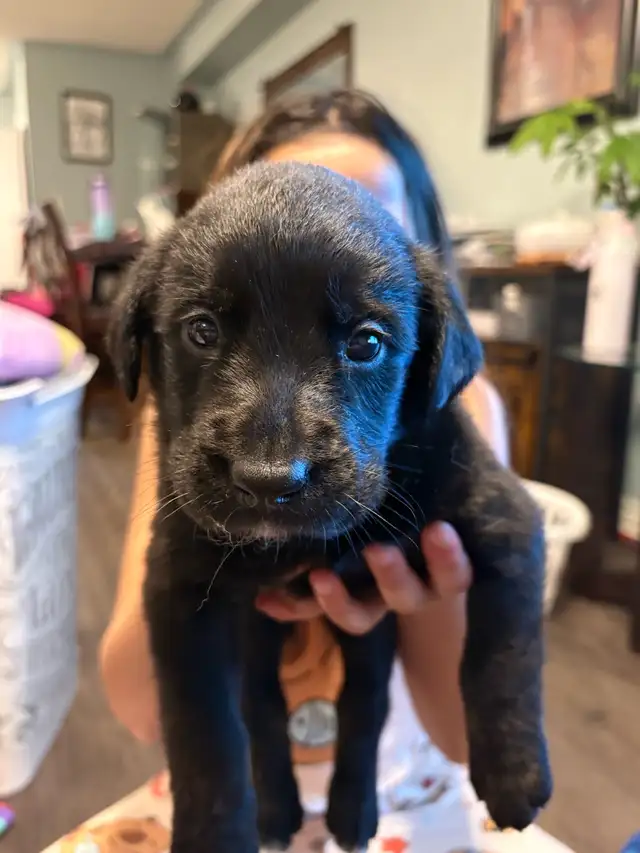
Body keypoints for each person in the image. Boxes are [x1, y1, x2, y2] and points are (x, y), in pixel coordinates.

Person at [100, 89, 510, 851]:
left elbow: (461, 736)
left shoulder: (468, 411)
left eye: (362, 342)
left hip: (405, 784)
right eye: (204, 330)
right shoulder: (183, 418)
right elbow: (138, 701)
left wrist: (420, 598)